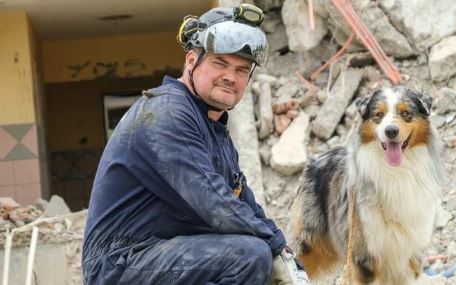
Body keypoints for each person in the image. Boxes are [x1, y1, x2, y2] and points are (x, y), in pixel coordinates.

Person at [81, 3, 310, 285]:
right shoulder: (167, 113)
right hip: (120, 263)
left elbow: (242, 202)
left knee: (256, 253)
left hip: (160, 254)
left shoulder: (213, 129)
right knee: (248, 256)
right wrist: (276, 250)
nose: (231, 76)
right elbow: (214, 204)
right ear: (191, 61)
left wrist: (287, 254)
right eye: (220, 63)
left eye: (241, 70)